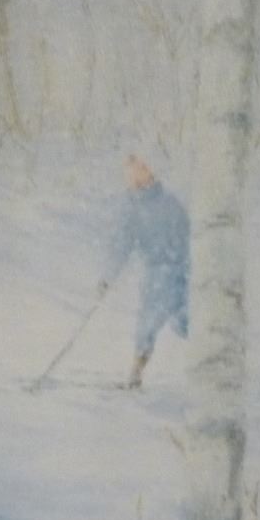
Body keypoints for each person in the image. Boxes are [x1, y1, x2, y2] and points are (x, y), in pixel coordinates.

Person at [98, 154, 189, 389]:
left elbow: (189, 236)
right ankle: (135, 375)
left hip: (182, 274)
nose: (137, 174)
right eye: (133, 170)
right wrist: (107, 278)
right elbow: (120, 246)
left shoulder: (170, 202)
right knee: (147, 325)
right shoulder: (131, 208)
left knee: (188, 322)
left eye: (142, 168)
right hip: (156, 275)